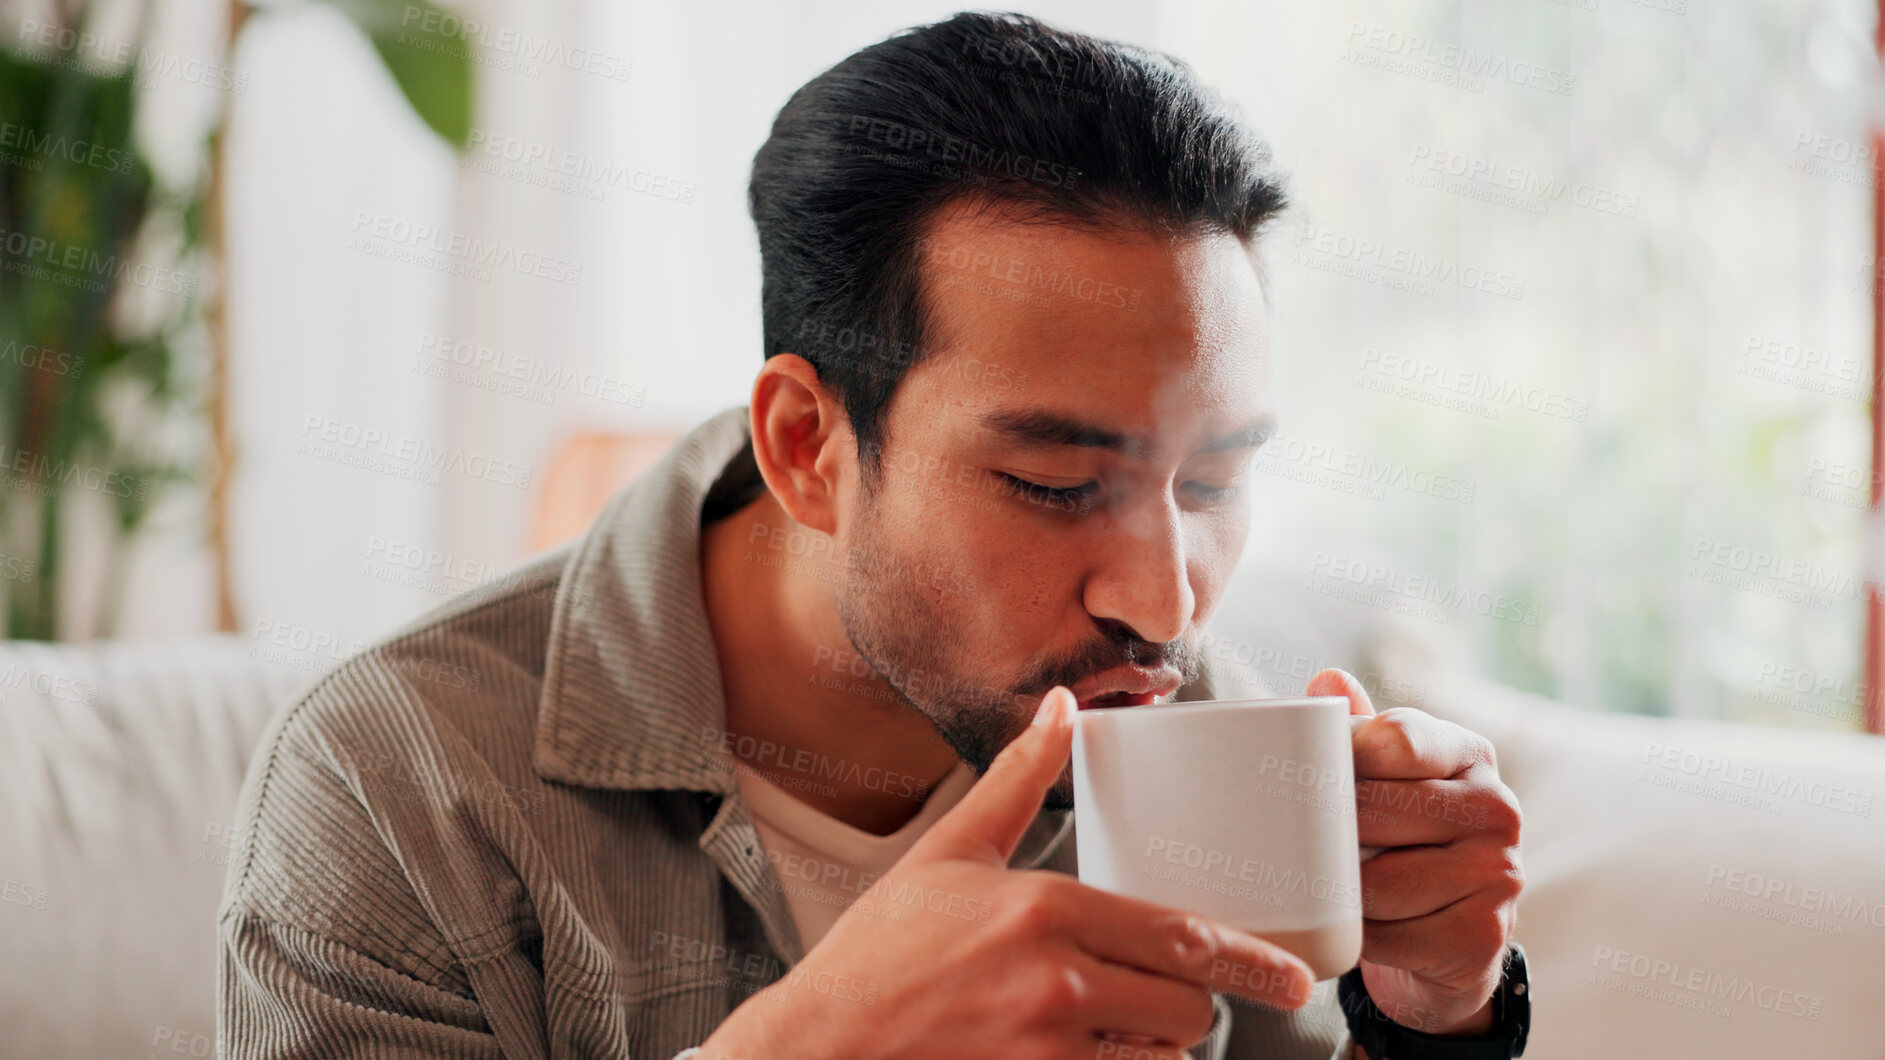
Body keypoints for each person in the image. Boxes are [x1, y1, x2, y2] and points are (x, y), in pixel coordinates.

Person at [217, 11, 1524, 1059]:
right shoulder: (400, 788)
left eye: (1211, 482)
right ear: (805, 445)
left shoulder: (1196, 737)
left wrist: (1437, 1012)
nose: (1166, 604)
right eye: (1057, 483)